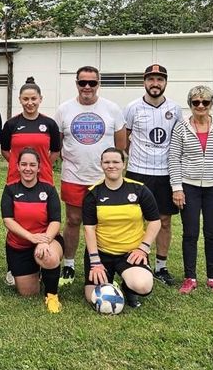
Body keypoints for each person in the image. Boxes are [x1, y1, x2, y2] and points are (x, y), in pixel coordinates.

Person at [54, 66, 126, 285]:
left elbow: (121, 145)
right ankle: (68, 264)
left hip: (103, 179)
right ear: (76, 83)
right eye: (82, 82)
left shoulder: (112, 109)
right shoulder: (64, 109)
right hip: (74, 176)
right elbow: (56, 145)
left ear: (98, 84)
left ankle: (107, 264)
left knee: (104, 222)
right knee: (74, 220)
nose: (87, 87)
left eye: (92, 83)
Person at [169, 85, 213, 295]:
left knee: (212, 234)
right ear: (190, 105)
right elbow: (174, 159)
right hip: (189, 187)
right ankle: (190, 277)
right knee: (190, 234)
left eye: (205, 102)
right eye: (196, 102)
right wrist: (177, 188)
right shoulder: (181, 127)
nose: (200, 106)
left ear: (211, 104)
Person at [123, 64, 183, 286]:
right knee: (135, 219)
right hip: (138, 172)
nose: (155, 84)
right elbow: (124, 138)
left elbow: (178, 141)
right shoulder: (132, 108)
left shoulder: (175, 110)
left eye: (159, 79)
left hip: (165, 174)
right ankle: (138, 261)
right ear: (144, 82)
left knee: (164, 221)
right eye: (151, 79)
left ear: (165, 82)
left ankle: (161, 267)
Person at [83, 148, 161, 309]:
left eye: (116, 162)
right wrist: (95, 262)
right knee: (92, 297)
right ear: (101, 165)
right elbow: (89, 229)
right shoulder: (93, 194)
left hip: (131, 254)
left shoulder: (139, 190)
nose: (111, 166)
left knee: (143, 286)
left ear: (123, 165)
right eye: (107, 162)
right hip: (102, 254)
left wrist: (143, 249)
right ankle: (109, 279)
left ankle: (128, 287)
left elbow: (155, 222)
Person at [1, 77, 61, 286]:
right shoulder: (11, 124)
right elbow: (5, 151)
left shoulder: (49, 124)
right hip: (16, 178)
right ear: (20, 100)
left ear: (40, 99)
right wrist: (21, 168)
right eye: (25, 99)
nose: (30, 102)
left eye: (33, 98)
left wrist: (41, 166)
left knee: (44, 218)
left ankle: (46, 256)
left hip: (43, 177)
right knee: (16, 219)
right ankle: (14, 266)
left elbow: (55, 151)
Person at [1, 148, 64, 314]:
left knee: (48, 256)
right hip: (19, 245)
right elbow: (8, 220)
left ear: (39, 167)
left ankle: (52, 295)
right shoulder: (10, 189)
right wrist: (31, 237)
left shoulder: (49, 189)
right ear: (17, 166)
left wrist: (44, 240)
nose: (28, 168)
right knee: (28, 292)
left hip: (47, 240)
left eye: (32, 165)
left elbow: (55, 221)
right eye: (24, 164)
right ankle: (40, 273)